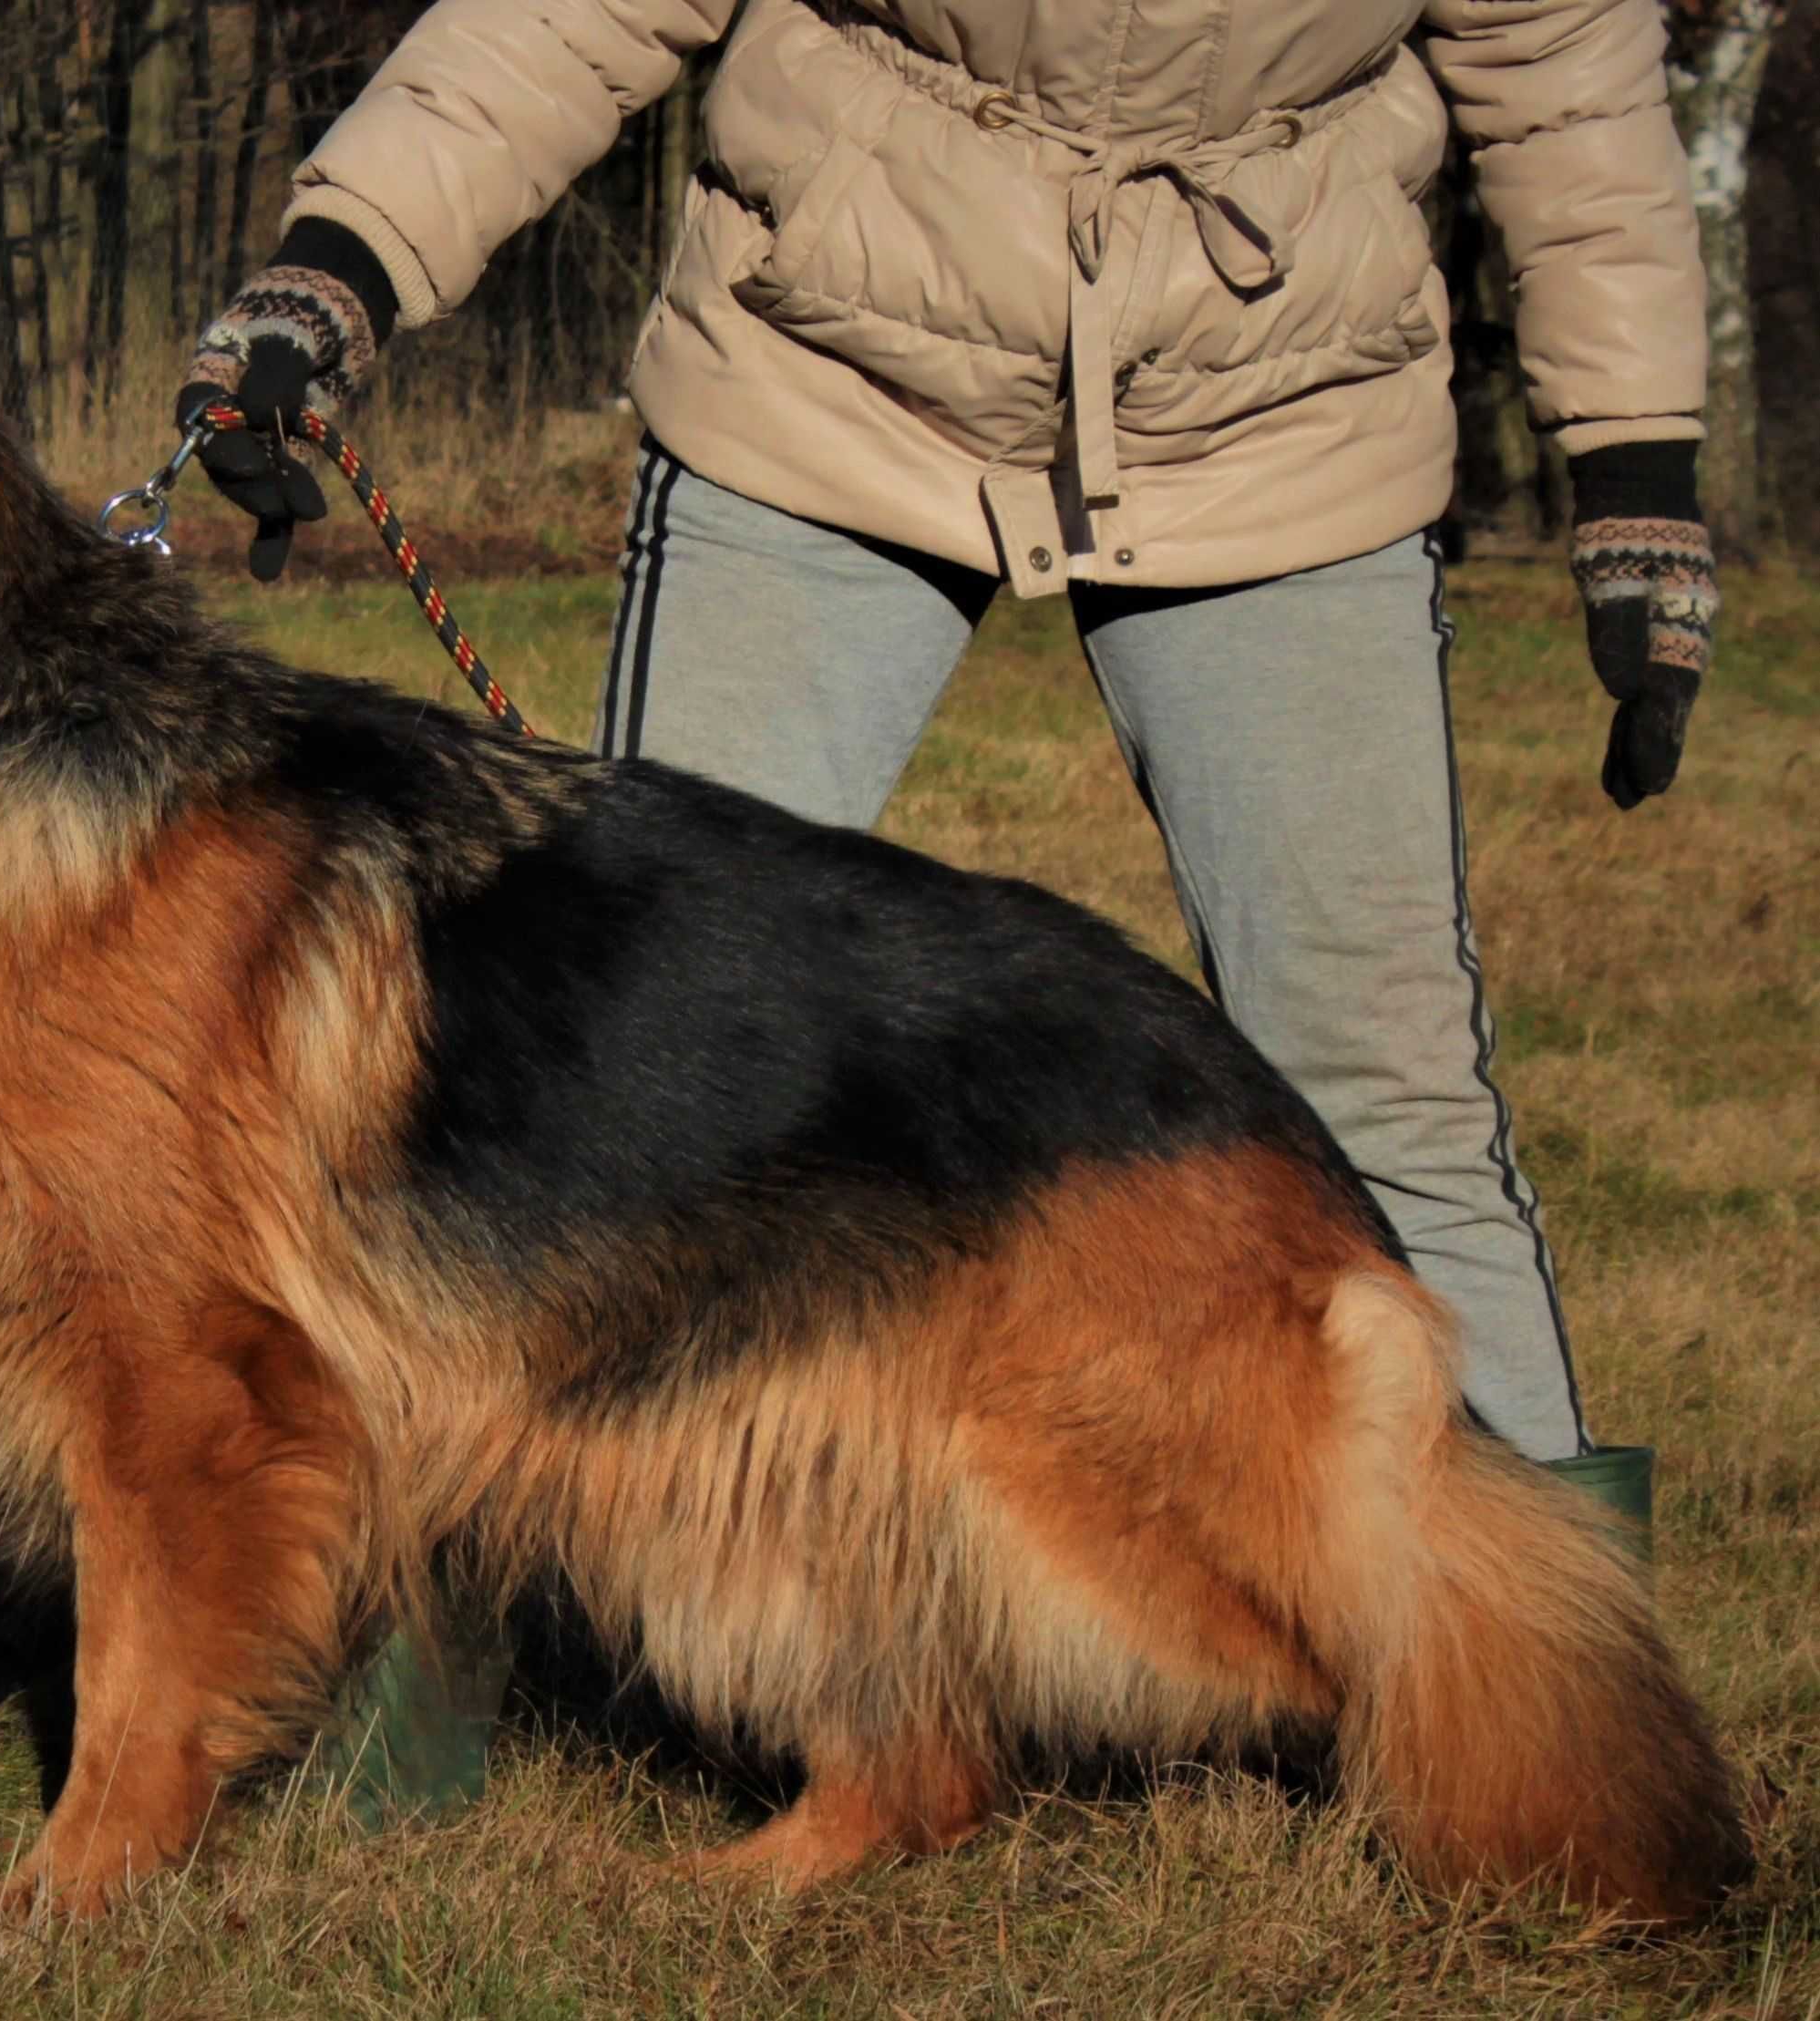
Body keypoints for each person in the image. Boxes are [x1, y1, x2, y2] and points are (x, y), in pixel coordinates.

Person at [173, 0, 1716, 1820]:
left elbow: (1565, 84)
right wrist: (342, 262)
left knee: (1391, 1081)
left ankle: (1561, 1708)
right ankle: (395, 1705)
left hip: (1274, 395)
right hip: (830, 363)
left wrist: (1635, 459)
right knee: (598, 1065)